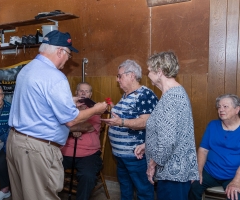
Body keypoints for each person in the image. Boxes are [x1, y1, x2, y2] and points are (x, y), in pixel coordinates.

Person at [7, 30, 107, 200]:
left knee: (21, 195)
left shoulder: (27, 69)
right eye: (68, 54)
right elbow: (72, 120)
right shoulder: (55, 76)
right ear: (60, 51)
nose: (68, 60)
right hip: (36, 148)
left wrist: (69, 101)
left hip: (15, 142)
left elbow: (39, 102)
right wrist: (97, 109)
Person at [135, 51, 199, 200]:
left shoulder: (170, 97)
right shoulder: (176, 92)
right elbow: (172, 132)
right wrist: (148, 145)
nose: (148, 73)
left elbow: (168, 141)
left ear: (160, 72)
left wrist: (152, 165)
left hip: (173, 173)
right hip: (177, 171)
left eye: (149, 70)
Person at [101, 59, 158, 200]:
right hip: (122, 156)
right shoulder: (126, 95)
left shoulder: (145, 94)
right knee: (125, 190)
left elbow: (147, 122)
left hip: (136, 156)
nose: (117, 79)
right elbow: (128, 119)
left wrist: (120, 122)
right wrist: (116, 119)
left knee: (143, 191)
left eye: (120, 76)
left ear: (131, 75)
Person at [189, 94, 240, 200]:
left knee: (235, 196)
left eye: (225, 106)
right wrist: (198, 170)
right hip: (210, 172)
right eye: (219, 107)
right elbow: (203, 150)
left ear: (237, 109)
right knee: (191, 185)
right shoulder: (213, 125)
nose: (221, 110)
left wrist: (236, 181)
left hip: (233, 175)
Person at [61, 82, 102, 200]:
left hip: (89, 153)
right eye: (81, 90)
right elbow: (59, 123)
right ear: (76, 92)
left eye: (87, 91)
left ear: (91, 94)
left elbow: (87, 126)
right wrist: (73, 129)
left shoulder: (95, 109)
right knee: (47, 168)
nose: (83, 93)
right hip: (65, 152)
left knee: (87, 176)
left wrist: (69, 128)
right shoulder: (67, 108)